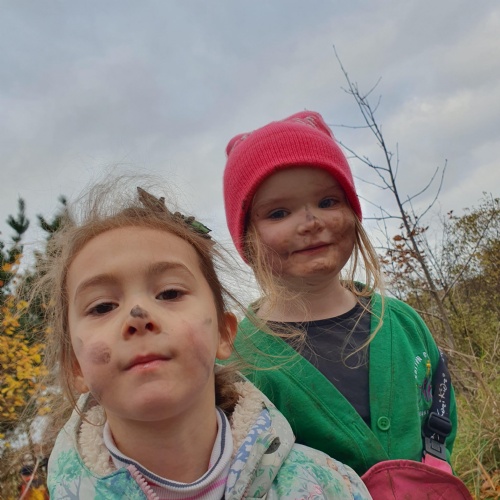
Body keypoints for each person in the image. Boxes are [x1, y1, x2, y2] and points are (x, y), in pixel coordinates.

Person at [34, 178, 371, 499]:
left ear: (223, 333)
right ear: (74, 364)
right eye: (102, 306)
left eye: (169, 293)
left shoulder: (330, 487)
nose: (138, 317)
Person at [222, 110, 458, 477]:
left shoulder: (404, 323)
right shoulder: (241, 360)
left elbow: (441, 420)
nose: (311, 222)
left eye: (328, 202)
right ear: (247, 240)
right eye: (279, 212)